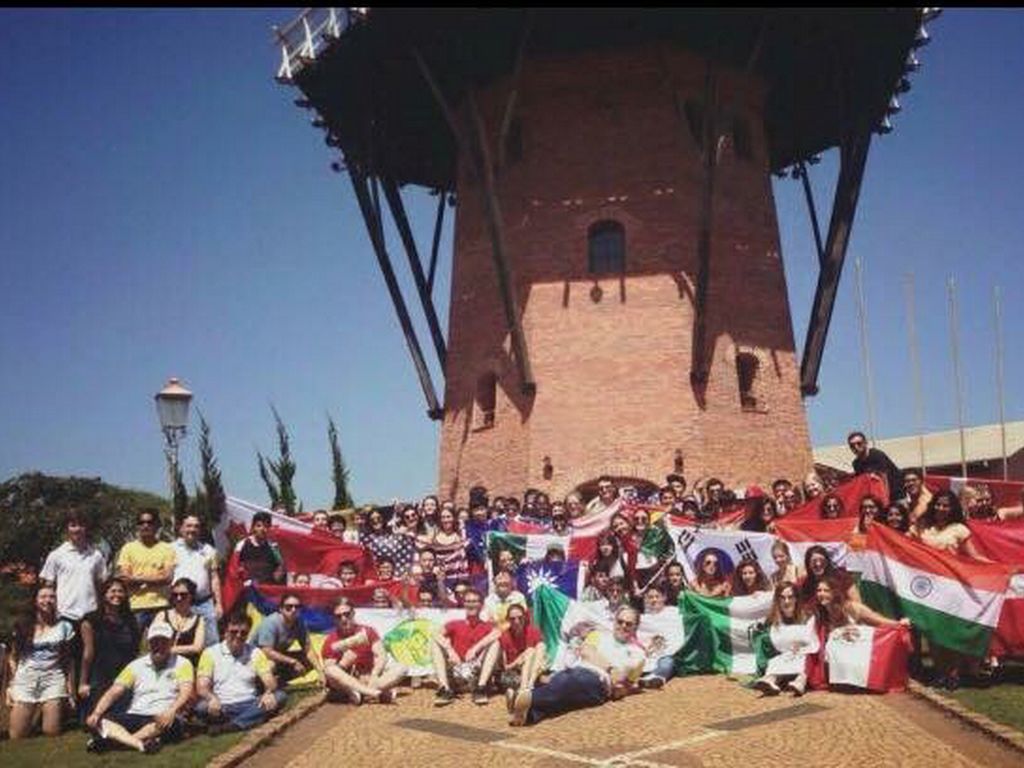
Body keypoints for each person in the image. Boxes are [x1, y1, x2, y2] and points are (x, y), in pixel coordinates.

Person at [509, 605, 645, 726]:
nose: (623, 626)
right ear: (614, 621)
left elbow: (628, 684)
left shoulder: (638, 654)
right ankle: (529, 715)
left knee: (566, 685)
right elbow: (587, 652)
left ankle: (524, 699)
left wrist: (620, 691)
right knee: (566, 699)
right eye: (620, 621)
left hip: (600, 684)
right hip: (578, 671)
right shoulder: (599, 635)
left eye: (629, 624)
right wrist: (611, 669)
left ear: (635, 627)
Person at [84, 622, 193, 754]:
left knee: (172, 724)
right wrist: (96, 713)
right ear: (148, 643)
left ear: (171, 643)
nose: (159, 646)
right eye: (154, 641)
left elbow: (186, 692)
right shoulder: (136, 665)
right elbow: (114, 692)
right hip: (136, 714)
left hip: (162, 715)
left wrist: (172, 710)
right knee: (101, 720)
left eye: (163, 641)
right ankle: (139, 744)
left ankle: (115, 742)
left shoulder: (182, 663)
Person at [194, 611, 286, 733]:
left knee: (279, 696)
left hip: (250, 702)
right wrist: (211, 698)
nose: (238, 636)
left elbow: (270, 680)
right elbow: (201, 687)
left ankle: (233, 725)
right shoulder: (210, 653)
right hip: (222, 705)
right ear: (225, 632)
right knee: (201, 707)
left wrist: (268, 693)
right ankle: (251, 718)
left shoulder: (255, 652)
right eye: (233, 632)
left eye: (243, 633)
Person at [6, 586, 76, 739]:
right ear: (36, 601)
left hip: (52, 679)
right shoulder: (23, 626)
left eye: (52, 597)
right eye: (43, 597)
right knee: (17, 735)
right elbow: (13, 657)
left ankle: (49, 709)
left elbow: (67, 660)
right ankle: (31, 712)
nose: (48, 600)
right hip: (26, 679)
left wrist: (70, 691)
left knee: (51, 731)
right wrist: (12, 685)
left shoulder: (64, 627)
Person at [322, 599, 405, 705]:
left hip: (370, 678)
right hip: (348, 681)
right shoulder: (331, 640)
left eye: (347, 614)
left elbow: (381, 655)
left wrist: (375, 674)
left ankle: (360, 693)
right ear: (335, 619)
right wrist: (344, 664)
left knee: (402, 668)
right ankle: (374, 693)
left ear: (353, 613)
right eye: (339, 616)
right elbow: (330, 674)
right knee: (330, 670)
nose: (344, 619)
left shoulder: (367, 631)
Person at [78, 578, 141, 719]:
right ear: (103, 595)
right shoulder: (91, 620)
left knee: (122, 717)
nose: (117, 594)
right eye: (112, 591)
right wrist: (83, 682)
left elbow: (135, 651)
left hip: (124, 675)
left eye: (120, 591)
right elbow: (88, 653)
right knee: (97, 717)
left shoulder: (130, 619)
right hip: (100, 675)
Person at [40, 509, 109, 628]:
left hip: (90, 613)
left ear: (86, 528)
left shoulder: (96, 555)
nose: (77, 529)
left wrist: (100, 610)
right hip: (64, 614)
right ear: (67, 529)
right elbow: (48, 586)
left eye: (81, 525)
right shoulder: (56, 555)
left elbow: (101, 584)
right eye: (73, 525)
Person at [432, 588, 500, 706]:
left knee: (496, 643)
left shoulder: (487, 626)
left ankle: (480, 688)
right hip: (456, 670)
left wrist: (476, 648)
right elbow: (435, 634)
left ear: (481, 605)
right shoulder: (455, 624)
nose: (471, 605)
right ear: (464, 604)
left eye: (474, 601)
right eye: (468, 601)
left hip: (476, 673)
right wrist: (449, 649)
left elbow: (497, 633)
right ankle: (445, 689)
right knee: (435, 643)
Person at [116, 509, 176, 634]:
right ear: (137, 526)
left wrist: (137, 579)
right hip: (135, 606)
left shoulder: (167, 549)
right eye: (142, 522)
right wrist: (156, 578)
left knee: (161, 642)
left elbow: (167, 578)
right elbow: (125, 580)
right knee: (132, 643)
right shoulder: (128, 549)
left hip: (161, 606)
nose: (146, 526)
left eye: (150, 522)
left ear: (157, 526)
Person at [754, 582, 817, 696]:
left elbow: (814, 641)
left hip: (804, 653)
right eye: (782, 598)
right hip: (784, 654)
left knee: (805, 661)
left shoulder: (808, 616)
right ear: (777, 600)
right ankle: (770, 681)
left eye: (790, 597)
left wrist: (803, 648)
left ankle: (800, 682)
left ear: (796, 598)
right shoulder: (773, 619)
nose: (786, 601)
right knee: (777, 661)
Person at [172, 514, 222, 647]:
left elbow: (214, 578)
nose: (192, 529)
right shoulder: (171, 549)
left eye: (196, 526)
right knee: (178, 640)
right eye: (188, 526)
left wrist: (218, 604)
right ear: (181, 529)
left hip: (204, 603)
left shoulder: (209, 550)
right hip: (179, 602)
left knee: (212, 641)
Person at [250, 592, 321, 685]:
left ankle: (279, 681)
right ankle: (260, 685)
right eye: (289, 607)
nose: (293, 610)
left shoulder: (299, 623)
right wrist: (292, 661)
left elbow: (308, 649)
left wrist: (320, 672)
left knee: (308, 660)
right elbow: (266, 651)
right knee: (271, 664)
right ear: (281, 609)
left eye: (297, 607)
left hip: (278, 656)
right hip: (257, 658)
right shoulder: (271, 623)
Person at [910, 490, 991, 561]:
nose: (940, 508)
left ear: (952, 509)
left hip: (945, 572)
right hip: (923, 570)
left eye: (945, 506)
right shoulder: (922, 525)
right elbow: (905, 542)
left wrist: (996, 567)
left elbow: (975, 556)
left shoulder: (959, 529)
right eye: (938, 504)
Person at [637, 585, 684, 689]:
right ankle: (648, 678)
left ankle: (657, 678)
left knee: (667, 662)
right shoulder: (641, 619)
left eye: (657, 596)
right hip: (648, 655)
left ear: (664, 598)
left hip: (667, 654)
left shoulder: (675, 612)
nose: (654, 600)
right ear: (645, 599)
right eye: (650, 597)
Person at [497, 603, 546, 698]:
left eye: (520, 618)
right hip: (512, 674)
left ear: (525, 617)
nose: (517, 621)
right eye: (512, 619)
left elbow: (540, 655)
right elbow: (505, 667)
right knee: (530, 650)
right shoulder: (505, 636)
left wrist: (525, 656)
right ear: (508, 620)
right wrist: (518, 661)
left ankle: (528, 686)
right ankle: (525, 687)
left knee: (541, 646)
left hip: (531, 673)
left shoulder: (533, 631)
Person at [154, 578, 205, 667]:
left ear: (191, 596)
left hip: (187, 665)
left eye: (183, 595)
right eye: (175, 595)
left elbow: (197, 647)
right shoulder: (162, 616)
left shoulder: (199, 619)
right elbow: (154, 641)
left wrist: (170, 650)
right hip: (164, 664)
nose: (179, 598)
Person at [848, 431, 902, 502]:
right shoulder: (856, 464)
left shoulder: (877, 455)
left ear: (865, 443)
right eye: (852, 446)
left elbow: (884, 479)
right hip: (877, 497)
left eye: (859, 443)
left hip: (895, 495)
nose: (856, 447)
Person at [234, 511, 285, 585]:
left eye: (266, 526)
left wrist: (274, 579)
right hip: (247, 589)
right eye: (259, 526)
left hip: (266, 589)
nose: (262, 529)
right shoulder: (241, 545)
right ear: (253, 527)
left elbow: (281, 566)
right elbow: (234, 568)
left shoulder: (273, 548)